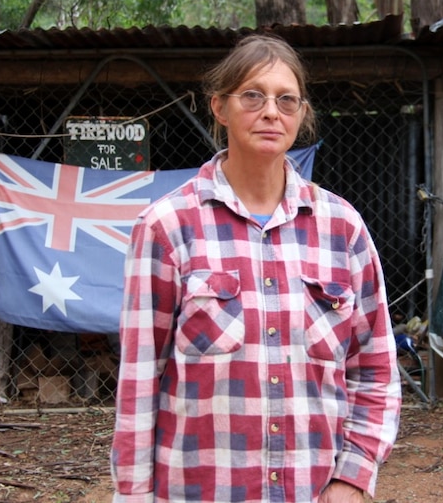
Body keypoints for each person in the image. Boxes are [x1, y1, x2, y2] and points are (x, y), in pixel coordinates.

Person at [110, 34, 402, 503]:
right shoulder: (167, 227)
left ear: (302, 115)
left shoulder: (342, 229)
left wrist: (352, 477)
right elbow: (139, 382)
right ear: (219, 108)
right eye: (253, 95)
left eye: (286, 100)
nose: (271, 111)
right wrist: (132, 495)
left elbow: (375, 369)